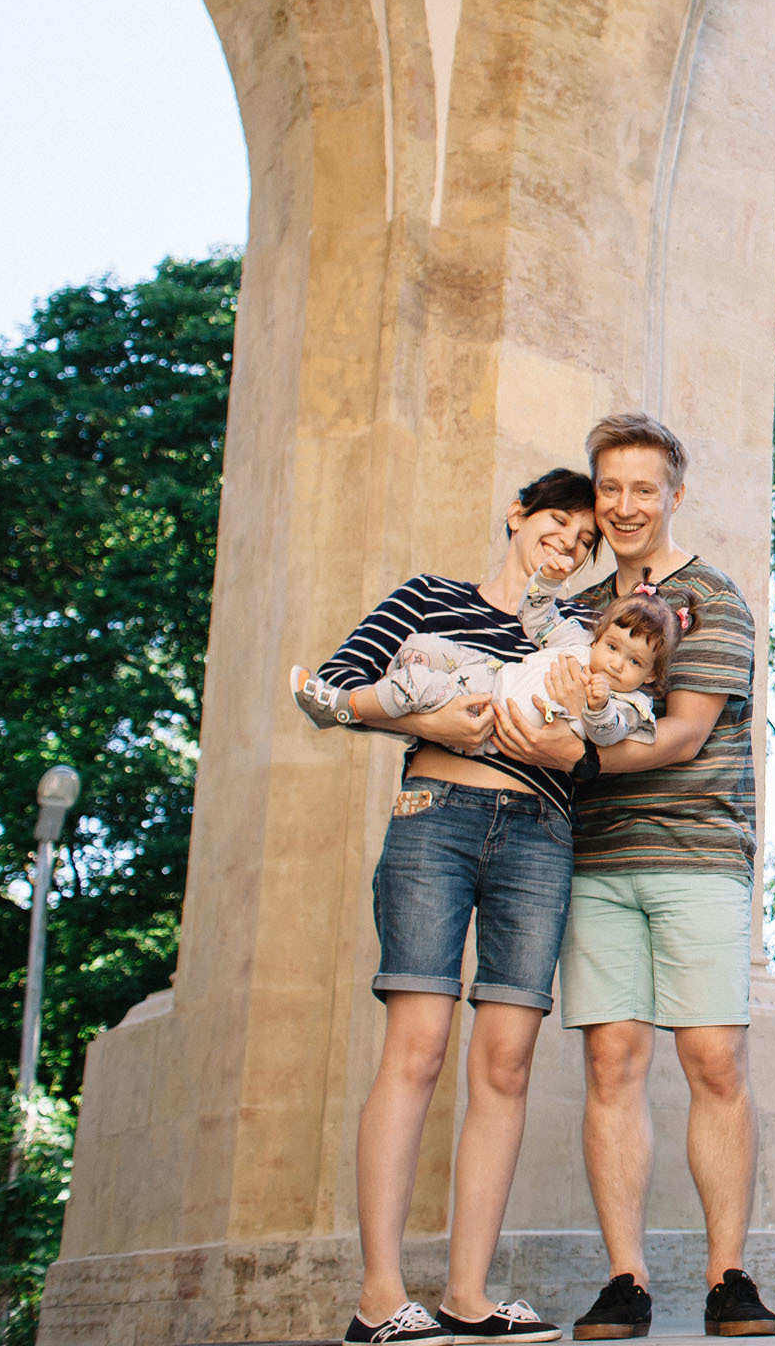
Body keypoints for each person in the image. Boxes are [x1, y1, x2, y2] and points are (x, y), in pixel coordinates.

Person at [493, 413, 775, 1339]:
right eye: (608, 487)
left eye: (643, 488)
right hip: (595, 859)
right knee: (612, 1061)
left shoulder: (716, 599)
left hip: (697, 854)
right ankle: (628, 1281)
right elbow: (530, 691)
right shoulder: (573, 614)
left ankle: (729, 1275)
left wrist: (567, 753)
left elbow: (685, 732)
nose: (623, 506)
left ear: (673, 496)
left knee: (714, 1060)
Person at [308, 468, 602, 1346]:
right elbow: (337, 688)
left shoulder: (580, 632)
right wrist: (425, 727)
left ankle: (468, 1297)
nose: (571, 545)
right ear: (517, 516)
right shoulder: (428, 597)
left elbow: (597, 736)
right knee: (417, 1052)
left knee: (505, 1065)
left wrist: (567, 738)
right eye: (559, 523)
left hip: (539, 838)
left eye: (586, 542)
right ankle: (378, 1300)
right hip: (434, 822)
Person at [290, 559, 679, 748]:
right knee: (424, 648)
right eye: (612, 647)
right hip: (492, 673)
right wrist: (547, 581)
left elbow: (609, 736)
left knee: (418, 683)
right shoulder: (575, 643)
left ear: (649, 676)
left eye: (634, 662)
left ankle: (346, 707)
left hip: (487, 708)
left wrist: (597, 708)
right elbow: (536, 618)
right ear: (599, 638)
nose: (615, 663)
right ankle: (404, 698)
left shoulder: (627, 702)